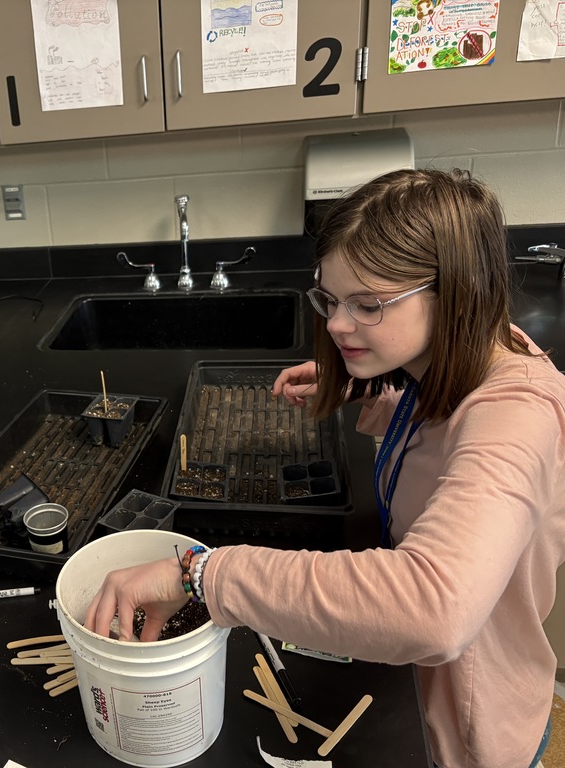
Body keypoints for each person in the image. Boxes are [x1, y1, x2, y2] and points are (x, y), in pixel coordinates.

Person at [85, 168, 565, 768]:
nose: (337, 325)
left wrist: (205, 576)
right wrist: (379, 391)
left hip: (465, 735)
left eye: (367, 305)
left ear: (458, 293)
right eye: (330, 299)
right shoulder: (463, 354)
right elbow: (443, 437)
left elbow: (435, 609)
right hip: (413, 688)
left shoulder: (518, 414)